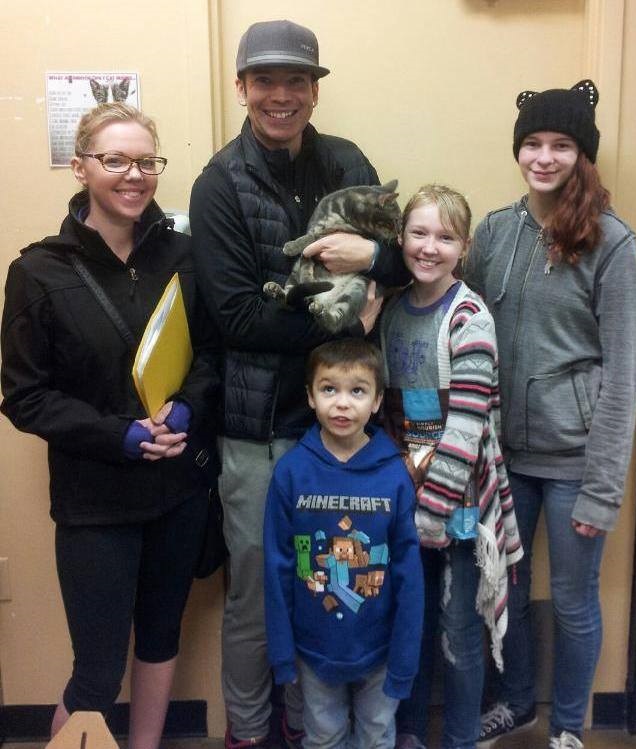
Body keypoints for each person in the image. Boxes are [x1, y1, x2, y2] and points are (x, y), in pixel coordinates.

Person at [189, 19, 408, 749]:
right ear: (242, 88)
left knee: (330, 587)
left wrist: (370, 257)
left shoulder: (346, 160)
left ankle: (307, 726)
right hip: (258, 432)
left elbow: (407, 261)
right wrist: (345, 320)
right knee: (257, 596)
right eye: (265, 80)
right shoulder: (219, 182)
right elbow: (236, 317)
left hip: (343, 429)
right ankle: (250, 734)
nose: (280, 95)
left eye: (296, 81)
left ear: (315, 91)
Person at [0, 103, 219, 748]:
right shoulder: (37, 272)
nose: (134, 175)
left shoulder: (183, 256)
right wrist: (119, 435)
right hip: (94, 501)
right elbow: (25, 396)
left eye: (146, 162)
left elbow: (210, 355)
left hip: (177, 492)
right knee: (96, 671)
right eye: (115, 160)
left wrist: (187, 408)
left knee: (160, 639)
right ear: (80, 168)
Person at [466, 81, 636, 749]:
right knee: (504, 592)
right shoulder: (495, 230)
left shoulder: (612, 242)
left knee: (572, 600)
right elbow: (463, 323)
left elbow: (624, 373)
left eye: (561, 145)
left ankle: (568, 726)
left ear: (582, 154)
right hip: (503, 458)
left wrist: (603, 488)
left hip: (574, 463)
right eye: (533, 144)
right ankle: (516, 704)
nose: (544, 158)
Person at [378, 185, 523, 749]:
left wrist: (434, 511)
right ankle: (410, 733)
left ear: (464, 248)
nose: (429, 247)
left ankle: (460, 738)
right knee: (410, 624)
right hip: (406, 495)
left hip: (459, 507)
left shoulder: (469, 317)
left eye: (445, 237)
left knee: (460, 631)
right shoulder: (391, 312)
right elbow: (384, 414)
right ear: (400, 238)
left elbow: (466, 428)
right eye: (419, 232)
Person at [263, 338, 423, 749]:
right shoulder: (291, 473)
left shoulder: (394, 475)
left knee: (376, 738)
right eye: (329, 389)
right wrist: (282, 652)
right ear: (310, 396)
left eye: (358, 391)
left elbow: (409, 574)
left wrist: (405, 656)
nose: (342, 404)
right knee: (323, 738)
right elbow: (277, 567)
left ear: (377, 401)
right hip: (313, 648)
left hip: (380, 648)